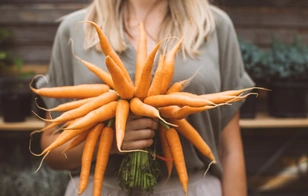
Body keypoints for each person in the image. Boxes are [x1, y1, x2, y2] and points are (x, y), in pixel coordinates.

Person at [36, 0, 254, 195]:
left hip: (192, 189)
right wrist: (112, 140)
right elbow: (51, 148)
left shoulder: (214, 25)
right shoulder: (76, 29)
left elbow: (230, 150)